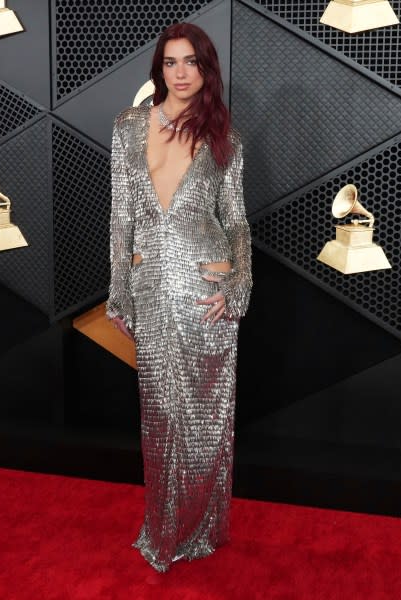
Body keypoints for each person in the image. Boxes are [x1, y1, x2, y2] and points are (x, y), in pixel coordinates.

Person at [106, 22, 252, 573]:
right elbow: (121, 218)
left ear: (206, 69)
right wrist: (118, 294)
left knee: (207, 419)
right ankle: (164, 528)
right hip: (150, 287)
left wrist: (238, 287)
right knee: (162, 415)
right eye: (171, 63)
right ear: (159, 70)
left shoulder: (225, 138)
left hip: (206, 292)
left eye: (191, 62)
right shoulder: (126, 128)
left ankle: (201, 529)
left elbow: (236, 223)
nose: (181, 73)